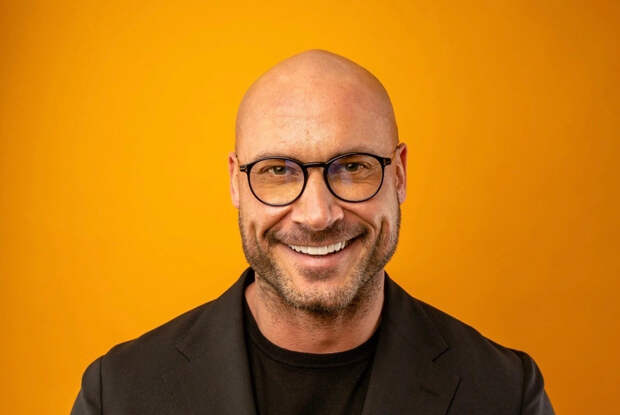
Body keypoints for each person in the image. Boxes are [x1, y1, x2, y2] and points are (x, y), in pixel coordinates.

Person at [71, 49, 554, 414]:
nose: (318, 214)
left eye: (353, 166)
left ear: (400, 174)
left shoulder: (506, 393)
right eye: (278, 171)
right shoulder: (119, 393)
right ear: (236, 183)